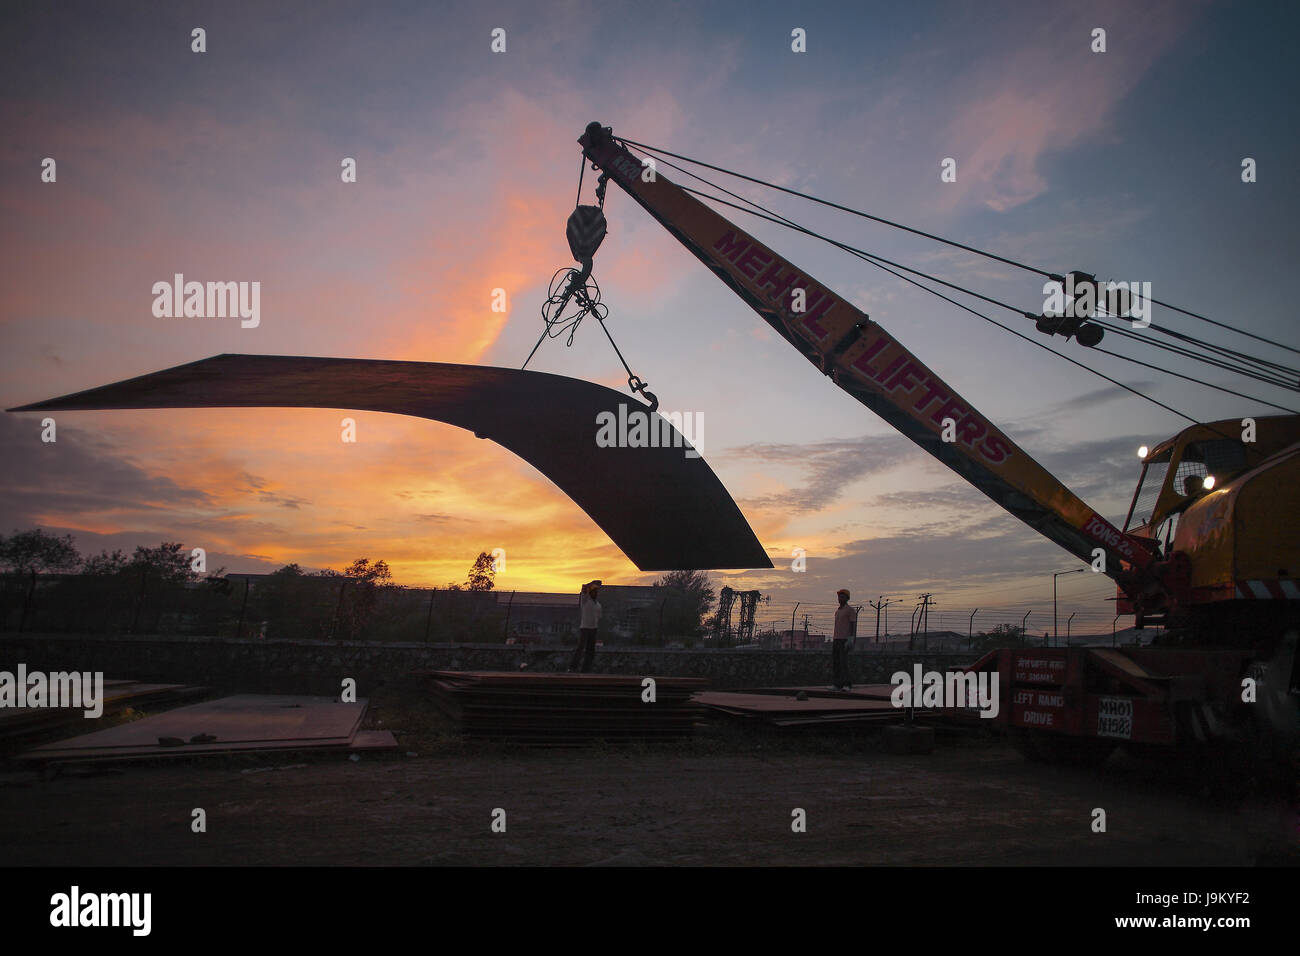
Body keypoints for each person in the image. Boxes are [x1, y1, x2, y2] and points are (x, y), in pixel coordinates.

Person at [569, 580, 602, 672]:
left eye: (596, 592)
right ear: (590, 593)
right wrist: (592, 583)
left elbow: (599, 617)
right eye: (594, 592)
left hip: (594, 629)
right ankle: (573, 667)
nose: (596, 594)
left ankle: (586, 668)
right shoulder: (585, 601)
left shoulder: (598, 605)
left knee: (590, 650)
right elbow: (584, 589)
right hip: (585, 628)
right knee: (580, 648)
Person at [832, 588, 857, 691]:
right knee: (836, 663)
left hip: (844, 640)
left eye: (842, 596)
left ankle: (847, 684)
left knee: (844, 663)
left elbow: (852, 625)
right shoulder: (838, 611)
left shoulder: (850, 610)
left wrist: (851, 638)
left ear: (847, 598)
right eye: (839, 596)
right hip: (836, 639)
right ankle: (838, 684)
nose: (840, 598)